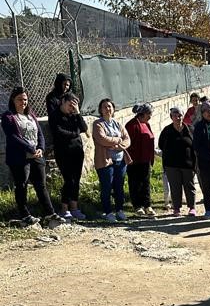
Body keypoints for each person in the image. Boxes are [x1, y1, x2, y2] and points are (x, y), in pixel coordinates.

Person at [1, 86, 61, 225]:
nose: (23, 102)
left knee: (41, 185)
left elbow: (40, 133)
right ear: (13, 100)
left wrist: (41, 148)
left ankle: (49, 213)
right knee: (21, 185)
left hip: (36, 156)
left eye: (25, 99)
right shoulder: (8, 116)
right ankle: (24, 214)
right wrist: (30, 148)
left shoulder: (31, 115)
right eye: (20, 99)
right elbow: (13, 136)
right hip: (20, 158)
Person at [92, 98, 132, 222]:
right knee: (107, 186)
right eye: (104, 107)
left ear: (113, 109)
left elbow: (127, 139)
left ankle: (119, 210)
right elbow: (101, 139)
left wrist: (119, 145)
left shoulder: (117, 124)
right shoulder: (98, 124)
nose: (107, 109)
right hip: (106, 161)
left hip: (120, 160)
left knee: (119, 186)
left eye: (109, 106)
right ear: (100, 110)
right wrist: (117, 140)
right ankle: (108, 212)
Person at [50, 91, 88, 220]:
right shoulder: (55, 115)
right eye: (70, 104)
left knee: (76, 180)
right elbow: (59, 132)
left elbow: (83, 128)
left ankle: (74, 207)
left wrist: (77, 113)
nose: (71, 107)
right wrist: (74, 133)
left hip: (77, 151)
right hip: (63, 152)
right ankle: (64, 208)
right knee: (68, 180)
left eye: (74, 105)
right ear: (63, 101)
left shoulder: (74, 115)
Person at [158, 107, 197, 217]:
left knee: (189, 186)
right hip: (172, 165)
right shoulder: (167, 130)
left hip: (188, 164)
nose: (177, 117)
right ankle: (176, 208)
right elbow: (161, 145)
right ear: (171, 117)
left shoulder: (189, 129)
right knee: (175, 187)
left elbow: (195, 145)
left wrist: (195, 163)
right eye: (175, 115)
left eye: (179, 115)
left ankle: (192, 207)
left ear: (183, 116)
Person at [125, 103, 156, 217]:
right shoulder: (132, 125)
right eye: (149, 114)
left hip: (145, 160)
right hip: (135, 160)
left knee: (145, 183)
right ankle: (137, 206)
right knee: (135, 183)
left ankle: (147, 205)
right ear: (143, 114)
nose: (150, 116)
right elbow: (127, 143)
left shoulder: (146, 124)